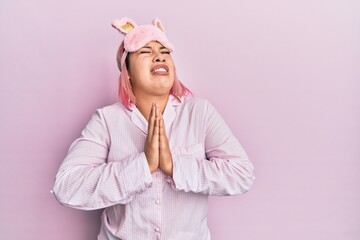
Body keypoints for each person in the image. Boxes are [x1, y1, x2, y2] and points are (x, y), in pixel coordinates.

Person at [52, 17, 255, 240]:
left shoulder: (200, 112)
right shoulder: (107, 120)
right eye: (146, 51)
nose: (159, 56)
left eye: (165, 51)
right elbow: (67, 187)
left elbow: (242, 173)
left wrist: (174, 166)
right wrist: (143, 166)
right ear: (127, 71)